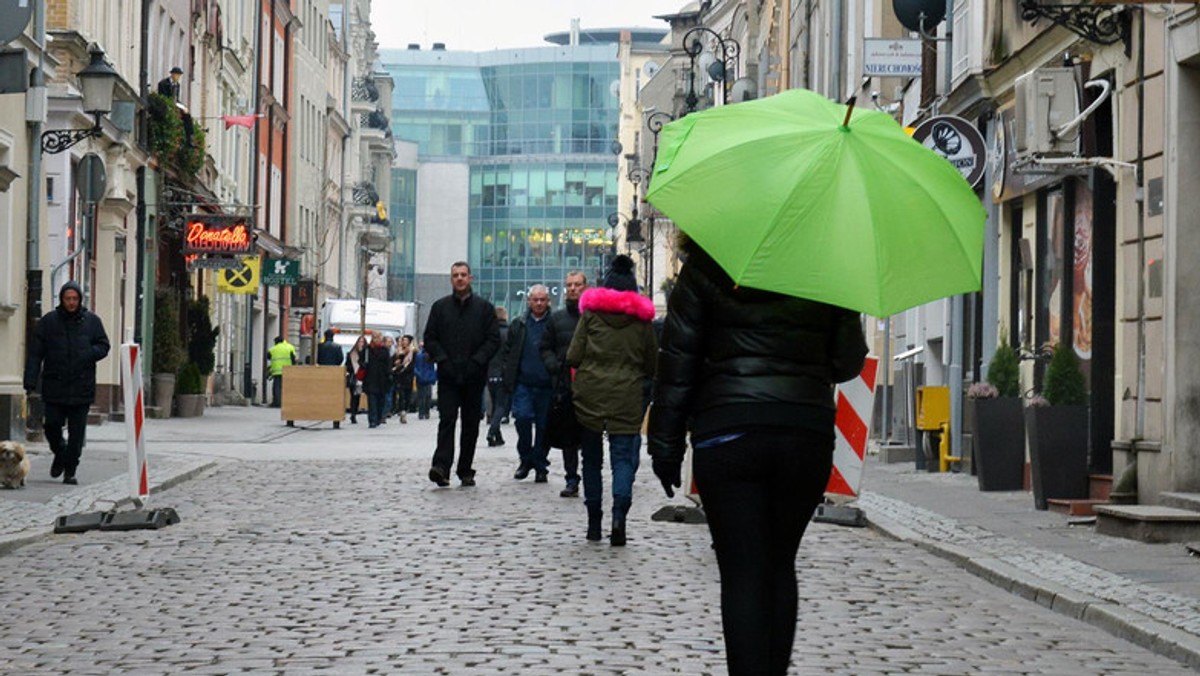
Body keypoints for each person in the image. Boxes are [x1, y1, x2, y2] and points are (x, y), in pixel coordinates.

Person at [647, 237, 868, 675]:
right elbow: (847, 362)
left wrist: (665, 444)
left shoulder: (706, 264)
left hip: (728, 433)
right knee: (779, 564)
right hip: (803, 433)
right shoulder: (824, 261)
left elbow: (678, 362)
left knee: (743, 571)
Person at [566, 255, 657, 545]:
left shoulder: (590, 316)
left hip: (589, 395)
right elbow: (652, 364)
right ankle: (619, 516)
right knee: (622, 459)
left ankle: (594, 523)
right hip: (627, 396)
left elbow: (573, 356)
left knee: (591, 459)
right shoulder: (642, 322)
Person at [23, 281, 111, 485]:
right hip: (55, 384)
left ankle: (70, 470)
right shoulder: (48, 322)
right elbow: (36, 354)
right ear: (61, 300)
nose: (71, 302)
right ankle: (60, 453)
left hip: (81, 386)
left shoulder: (92, 321)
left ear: (80, 299)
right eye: (67, 298)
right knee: (51, 426)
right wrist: (30, 380)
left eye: (74, 299)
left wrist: (88, 354)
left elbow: (104, 345)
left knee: (76, 434)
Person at [423, 261, 501, 487]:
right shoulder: (440, 307)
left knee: (470, 424)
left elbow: (493, 339)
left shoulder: (484, 309)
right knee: (446, 420)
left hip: (473, 376)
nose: (459, 278)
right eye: (456, 275)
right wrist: (442, 359)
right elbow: (430, 338)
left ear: (470, 278)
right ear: (451, 279)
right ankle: (441, 466)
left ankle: (465, 468)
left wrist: (477, 361)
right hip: (448, 375)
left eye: (463, 275)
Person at [500, 284, 554, 483]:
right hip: (523, 383)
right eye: (535, 299)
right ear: (529, 301)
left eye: (542, 299)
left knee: (543, 427)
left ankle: (540, 465)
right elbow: (508, 352)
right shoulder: (519, 324)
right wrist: (508, 374)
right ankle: (525, 458)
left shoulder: (553, 323)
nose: (539, 303)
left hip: (546, 385)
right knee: (522, 419)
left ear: (548, 301)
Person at [541, 271, 587, 497]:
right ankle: (571, 478)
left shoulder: (593, 316)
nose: (573, 289)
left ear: (585, 287)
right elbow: (545, 346)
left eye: (577, 285)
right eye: (569, 285)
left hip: (589, 385)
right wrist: (553, 365)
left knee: (589, 435)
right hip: (564, 384)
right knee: (569, 437)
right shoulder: (557, 319)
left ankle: (590, 475)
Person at [485, 306, 509, 447]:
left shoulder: (489, 334)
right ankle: (492, 431)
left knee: (495, 404)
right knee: (501, 405)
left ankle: (498, 436)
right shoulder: (508, 333)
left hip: (490, 372)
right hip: (503, 373)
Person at [363, 333, 391, 428]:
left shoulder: (384, 350)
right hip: (370, 378)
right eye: (374, 338)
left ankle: (378, 417)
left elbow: (388, 365)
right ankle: (372, 420)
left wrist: (389, 375)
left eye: (378, 338)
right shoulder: (367, 349)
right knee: (372, 401)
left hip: (382, 380)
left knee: (380, 401)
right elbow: (362, 361)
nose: (376, 339)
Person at [267, 335, 297, 408]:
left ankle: (277, 402)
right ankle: (287, 402)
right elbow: (293, 359)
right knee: (286, 387)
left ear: (275, 342)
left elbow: (268, 357)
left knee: (276, 387)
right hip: (288, 371)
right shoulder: (290, 347)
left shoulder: (272, 349)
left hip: (276, 372)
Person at [392, 335, 416, 423]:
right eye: (403, 340)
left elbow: (412, 364)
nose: (404, 342)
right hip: (399, 377)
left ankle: (405, 410)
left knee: (407, 396)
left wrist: (402, 367)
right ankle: (402, 412)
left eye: (406, 340)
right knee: (401, 395)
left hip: (408, 377)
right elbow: (393, 363)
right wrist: (396, 365)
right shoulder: (398, 352)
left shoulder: (412, 352)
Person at [344, 336, 367, 424]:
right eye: (359, 342)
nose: (361, 343)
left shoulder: (366, 353)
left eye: (362, 342)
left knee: (357, 396)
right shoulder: (351, 354)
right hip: (354, 377)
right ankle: (353, 414)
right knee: (353, 396)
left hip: (361, 378)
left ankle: (354, 412)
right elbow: (347, 365)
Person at [413, 340, 437, 420]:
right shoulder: (426, 355)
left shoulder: (419, 355)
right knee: (427, 396)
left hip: (422, 378)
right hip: (427, 378)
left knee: (423, 396)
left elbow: (416, 367)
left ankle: (422, 412)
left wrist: (418, 374)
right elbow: (432, 368)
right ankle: (425, 412)